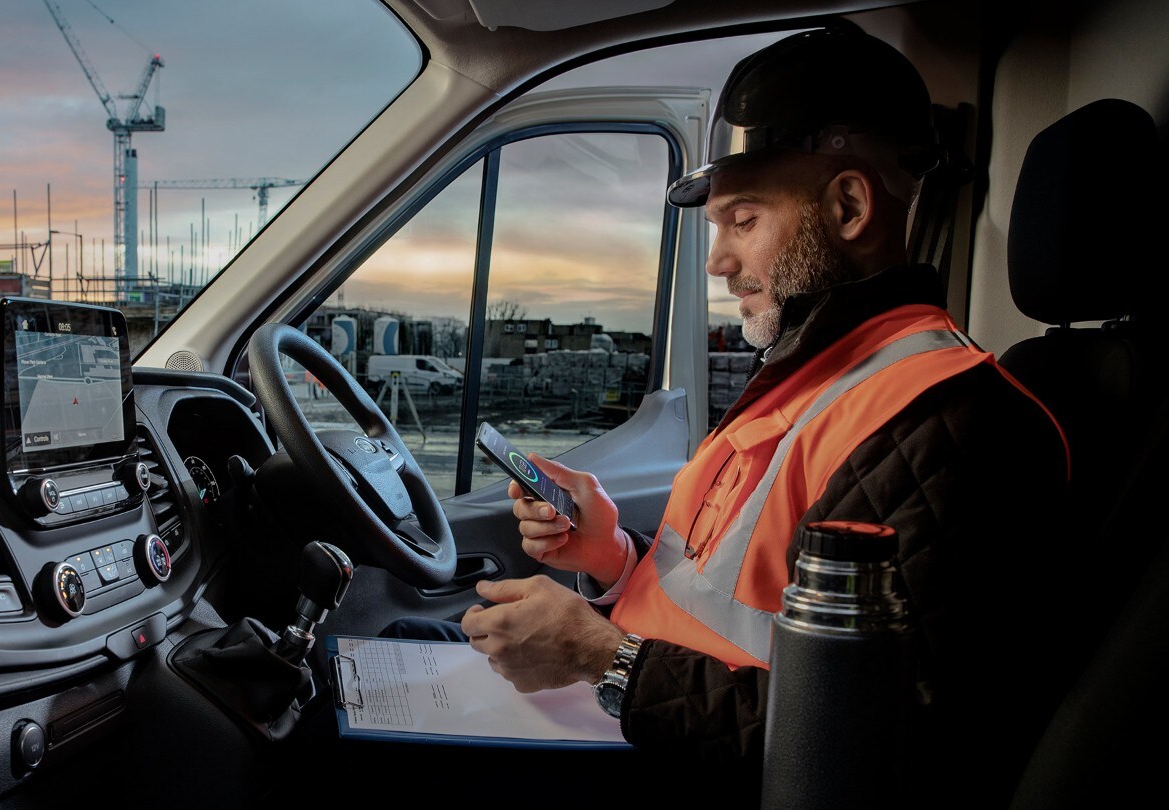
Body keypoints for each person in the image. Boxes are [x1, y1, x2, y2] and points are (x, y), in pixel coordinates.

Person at [362, 26, 1070, 807]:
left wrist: (602, 655)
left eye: (744, 220)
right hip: (651, 727)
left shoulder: (949, 424)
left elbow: (880, 746)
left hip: (694, 770)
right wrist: (612, 555)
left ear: (848, 205)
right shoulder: (817, 374)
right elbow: (723, 600)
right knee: (379, 664)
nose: (717, 261)